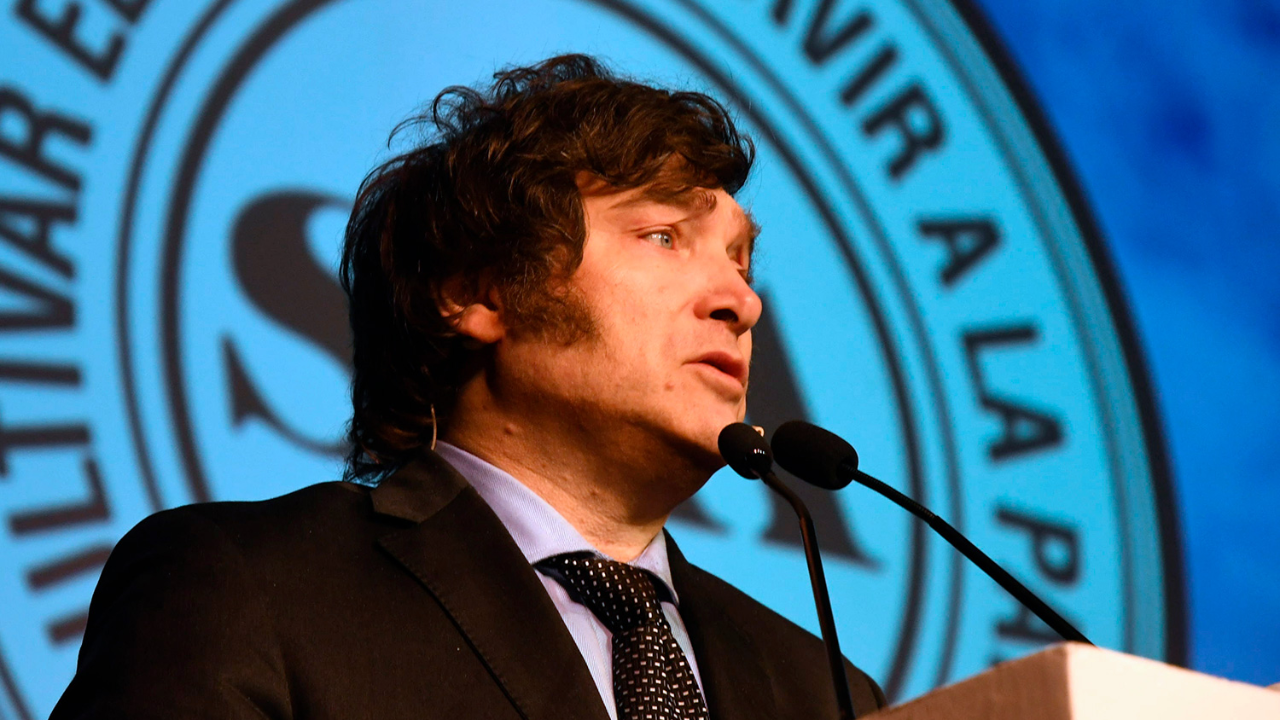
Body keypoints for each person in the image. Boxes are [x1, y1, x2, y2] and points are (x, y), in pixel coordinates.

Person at [51, 54, 884, 720]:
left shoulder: (826, 691)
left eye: (740, 259)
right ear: (478, 292)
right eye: (664, 236)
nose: (742, 301)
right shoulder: (245, 590)